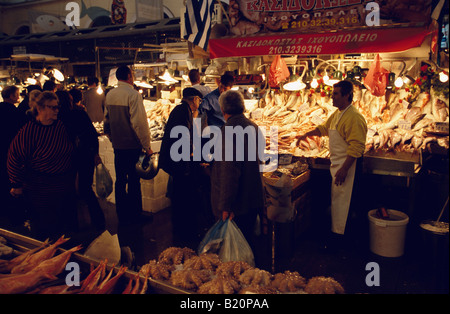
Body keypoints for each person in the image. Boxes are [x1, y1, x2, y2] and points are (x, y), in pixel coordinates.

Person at [296, 80, 367, 246]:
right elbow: (324, 128)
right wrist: (306, 134)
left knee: (347, 205)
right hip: (338, 166)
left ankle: (346, 244)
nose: (332, 97)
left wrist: (344, 169)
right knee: (338, 203)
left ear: (347, 95)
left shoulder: (354, 117)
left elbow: (357, 147)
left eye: (335, 94)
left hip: (349, 168)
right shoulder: (337, 114)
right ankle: (337, 238)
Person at [7, 91, 77, 241]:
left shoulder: (60, 126)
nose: (56, 110)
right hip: (40, 189)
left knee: (61, 228)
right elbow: (14, 157)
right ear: (39, 109)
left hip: (63, 185)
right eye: (52, 107)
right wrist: (16, 184)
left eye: (57, 107)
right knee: (44, 229)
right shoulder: (29, 131)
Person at [210, 89, 265, 258]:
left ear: (223, 110)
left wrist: (226, 205)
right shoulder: (253, 127)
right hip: (253, 197)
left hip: (237, 204)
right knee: (249, 246)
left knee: (235, 254)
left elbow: (229, 171)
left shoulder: (229, 130)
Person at [104, 65, 152, 226]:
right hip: (132, 146)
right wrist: (147, 146)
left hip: (118, 146)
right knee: (134, 180)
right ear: (129, 76)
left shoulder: (110, 95)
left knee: (120, 180)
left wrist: (112, 139)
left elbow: (106, 122)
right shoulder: (133, 95)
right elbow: (139, 123)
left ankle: (121, 214)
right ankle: (135, 214)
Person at [159, 87, 205, 247]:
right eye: (199, 100)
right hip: (178, 163)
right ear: (193, 99)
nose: (199, 103)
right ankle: (183, 232)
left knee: (180, 195)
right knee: (182, 196)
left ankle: (182, 229)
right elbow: (183, 137)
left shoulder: (182, 110)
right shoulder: (182, 111)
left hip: (177, 161)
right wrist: (193, 156)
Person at [57, 90, 105, 232]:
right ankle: (99, 221)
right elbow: (92, 135)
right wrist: (95, 154)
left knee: (69, 191)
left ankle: (72, 226)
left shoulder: (57, 119)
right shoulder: (79, 114)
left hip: (66, 159)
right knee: (86, 189)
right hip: (85, 156)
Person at [0, 85, 27, 226]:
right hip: (11, 152)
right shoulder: (15, 113)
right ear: (11, 96)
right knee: (11, 181)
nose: (18, 96)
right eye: (17, 94)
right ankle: (15, 217)